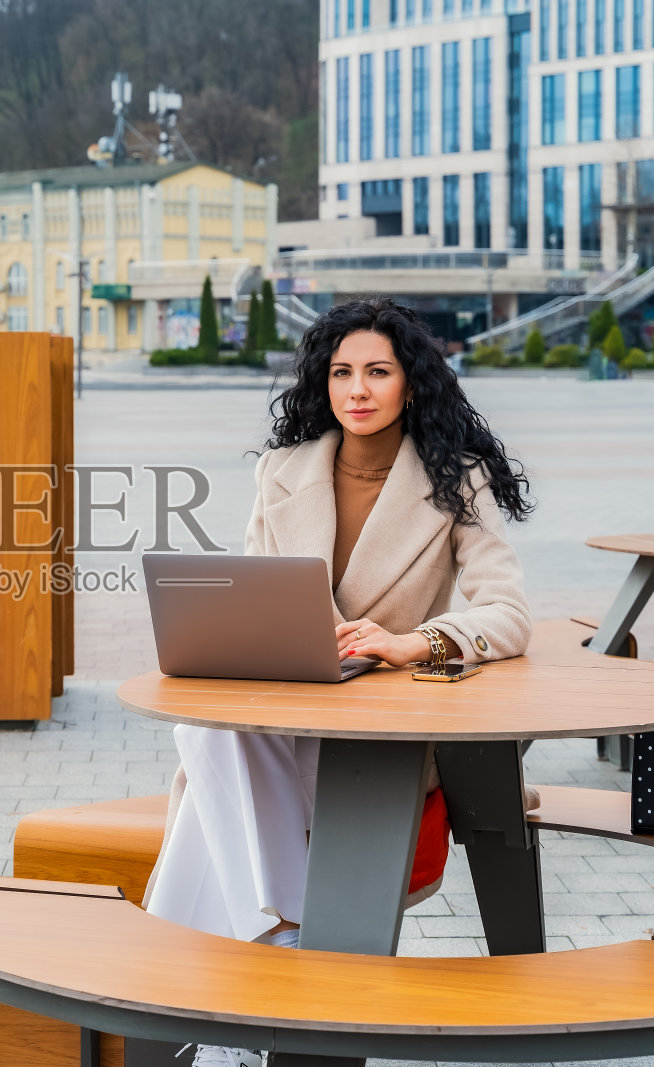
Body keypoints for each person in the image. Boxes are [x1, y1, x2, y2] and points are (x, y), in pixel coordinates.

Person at [143, 297, 536, 1067]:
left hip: (376, 736)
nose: (357, 389)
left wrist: (414, 641)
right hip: (289, 711)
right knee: (208, 727)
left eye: (378, 372)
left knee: (205, 743)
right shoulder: (282, 471)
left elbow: (510, 613)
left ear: (412, 385)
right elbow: (255, 588)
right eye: (342, 372)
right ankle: (282, 944)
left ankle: (210, 997)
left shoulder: (457, 479)